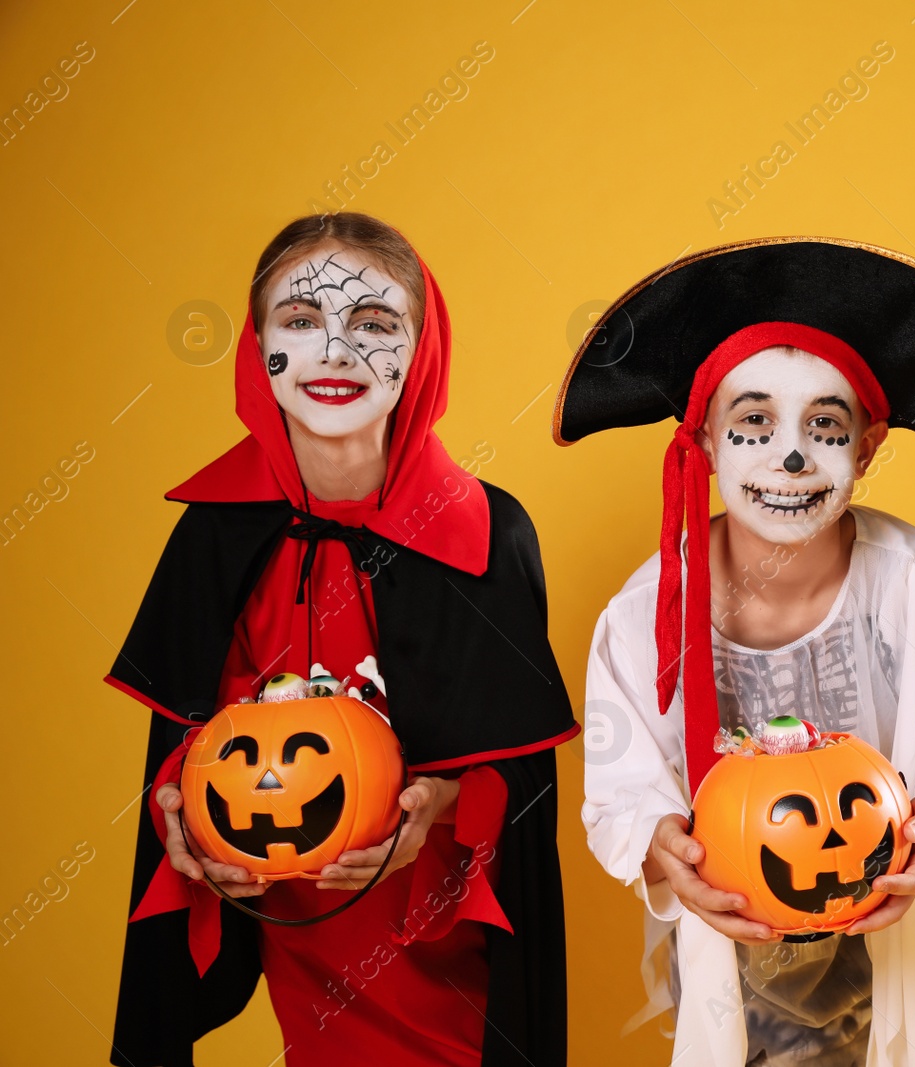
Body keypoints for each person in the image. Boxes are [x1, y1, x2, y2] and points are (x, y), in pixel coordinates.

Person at [106, 212, 577, 1066]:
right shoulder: (218, 534)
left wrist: (430, 807)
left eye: (373, 325)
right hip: (295, 915)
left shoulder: (483, 530)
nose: (334, 352)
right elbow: (182, 736)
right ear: (258, 349)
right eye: (301, 321)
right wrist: (177, 817)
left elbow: (518, 773)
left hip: (440, 941)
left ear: (420, 351)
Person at [560, 237, 915, 1066]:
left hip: (878, 929)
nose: (790, 458)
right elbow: (620, 788)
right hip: (725, 940)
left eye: (824, 426)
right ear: (705, 441)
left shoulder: (914, 583)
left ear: (869, 445)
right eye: (754, 423)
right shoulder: (646, 609)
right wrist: (658, 840)